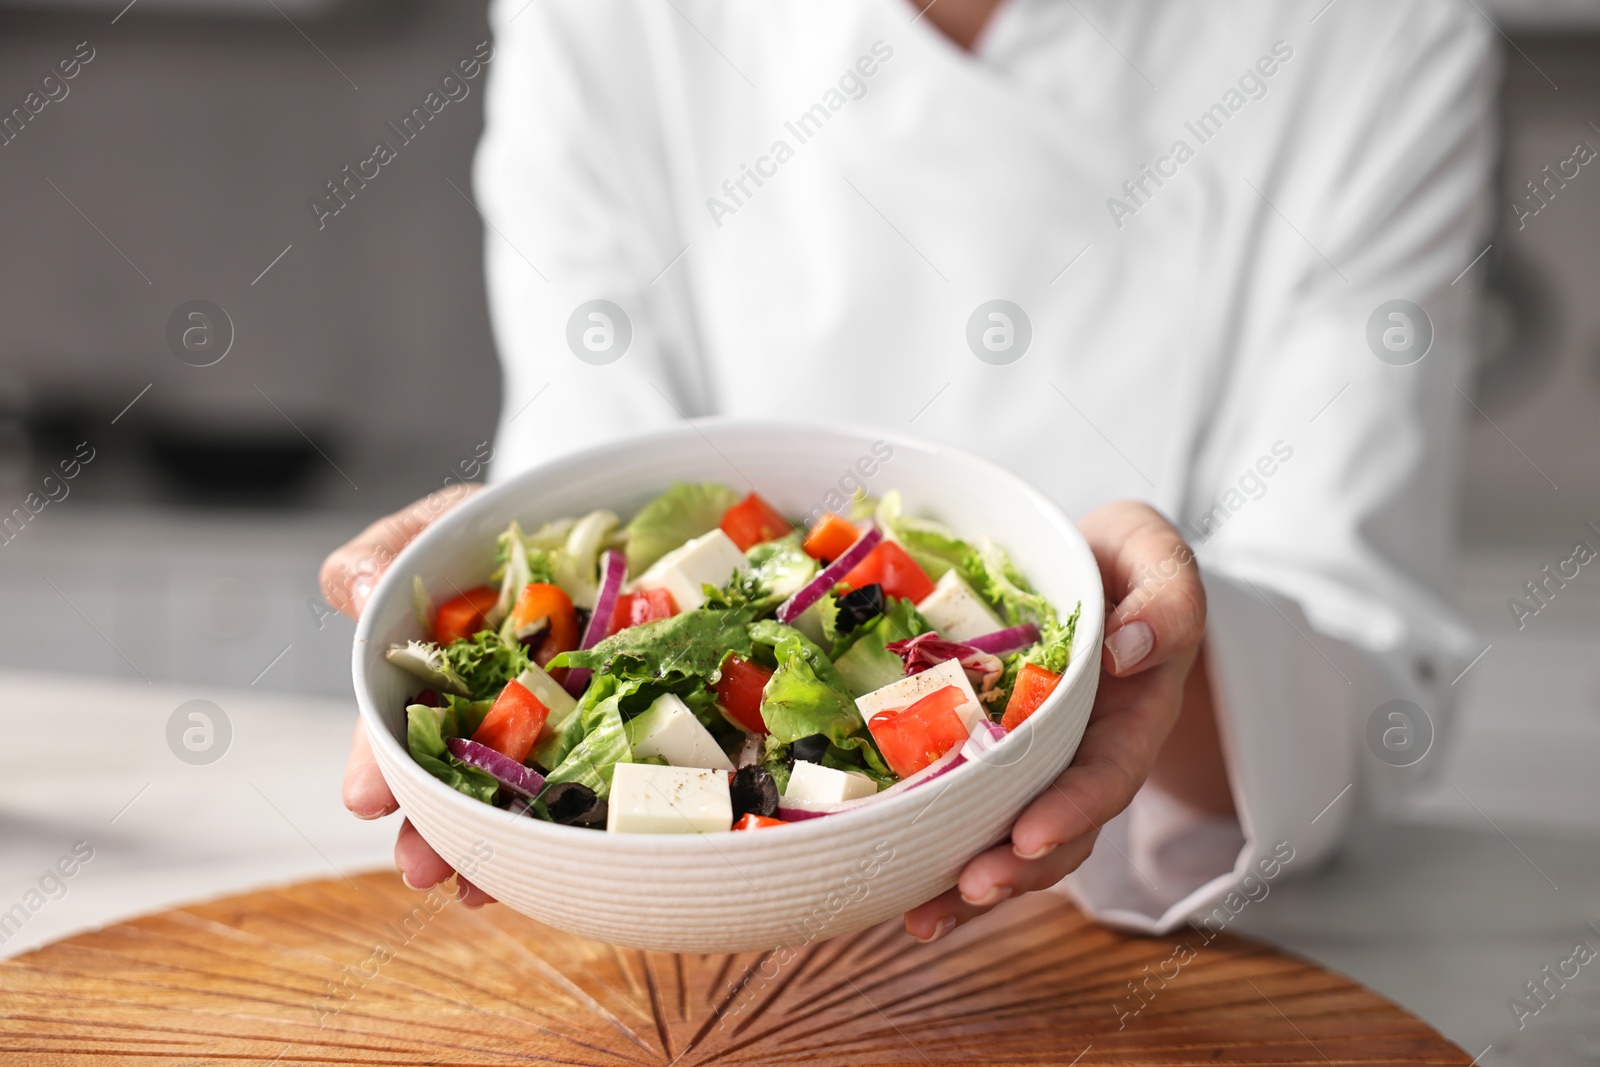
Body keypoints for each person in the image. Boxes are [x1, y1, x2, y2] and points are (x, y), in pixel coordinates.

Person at [323, 0, 1494, 943]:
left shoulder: (1383, 33)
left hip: (1119, 958)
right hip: (661, 949)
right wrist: (491, 598)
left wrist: (1137, 651)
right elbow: (594, 498)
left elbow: (1359, 699)